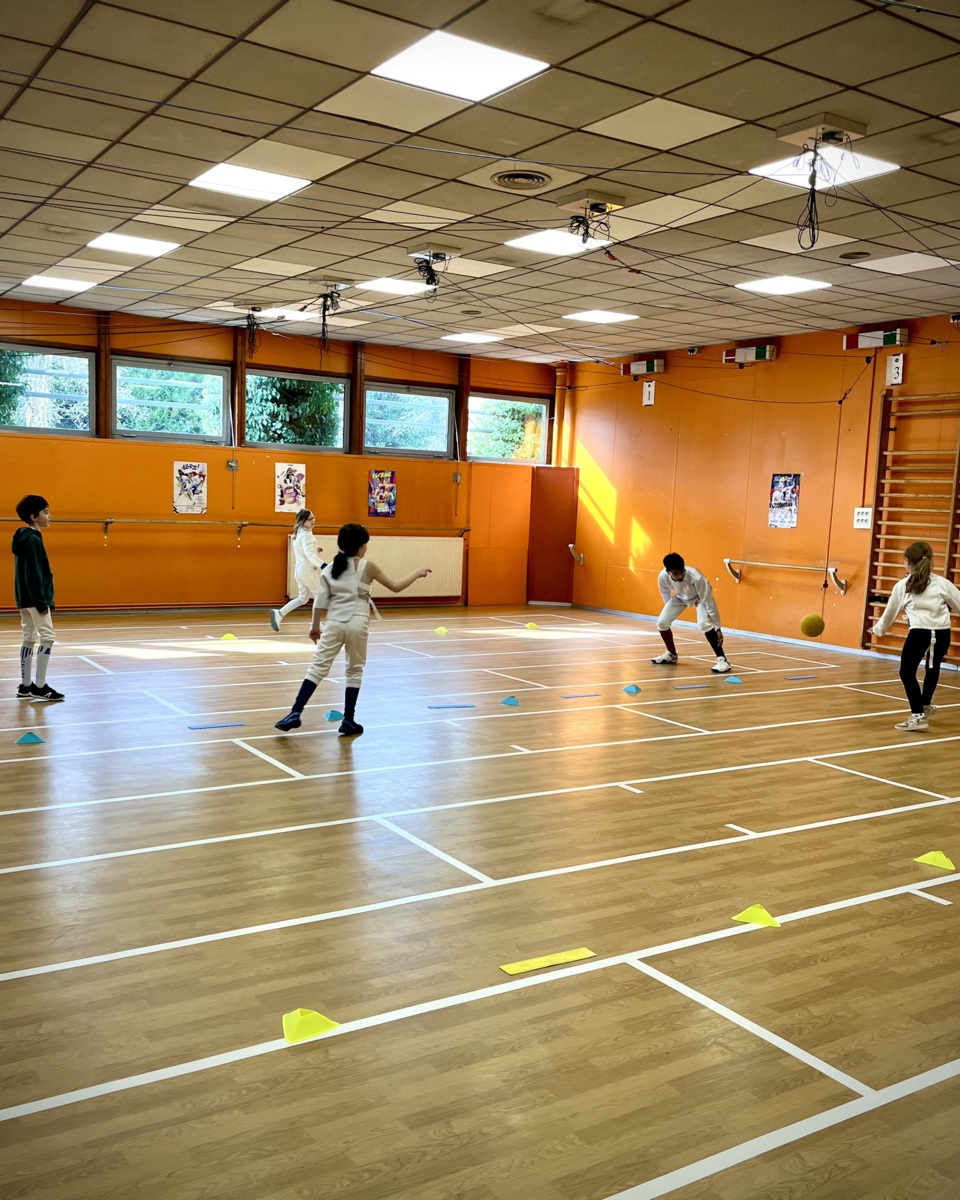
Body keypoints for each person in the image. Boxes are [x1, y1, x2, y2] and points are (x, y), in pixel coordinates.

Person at [275, 523, 430, 736]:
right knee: (354, 670)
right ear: (360, 546)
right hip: (358, 623)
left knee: (317, 668)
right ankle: (348, 720)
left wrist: (315, 626)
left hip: (334, 624)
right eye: (365, 544)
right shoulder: (368, 566)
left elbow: (319, 602)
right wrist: (417, 573)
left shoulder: (329, 569)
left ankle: (295, 712)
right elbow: (396, 587)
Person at [870, 541, 960, 732]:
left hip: (919, 633)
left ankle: (917, 715)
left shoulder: (904, 585)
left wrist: (878, 630)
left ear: (907, 561)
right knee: (932, 668)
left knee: (906, 672)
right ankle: (924, 705)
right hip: (942, 633)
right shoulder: (943, 583)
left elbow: (890, 612)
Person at [12, 494, 64, 701]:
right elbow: (33, 574)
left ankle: (25, 686)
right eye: (46, 512)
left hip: (24, 599)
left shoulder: (23, 538)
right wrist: (42, 602)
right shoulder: (32, 540)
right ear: (34, 516)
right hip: (35, 599)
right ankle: (40, 687)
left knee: (29, 638)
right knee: (48, 637)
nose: (50, 516)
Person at [651, 552, 731, 674]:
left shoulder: (697, 577)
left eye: (681, 572)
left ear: (684, 568)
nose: (680, 576)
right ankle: (672, 655)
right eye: (675, 574)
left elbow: (709, 603)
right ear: (668, 572)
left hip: (700, 597)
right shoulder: (662, 577)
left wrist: (717, 628)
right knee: (662, 623)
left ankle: (722, 659)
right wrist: (669, 612)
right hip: (680, 597)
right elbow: (665, 593)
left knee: (703, 624)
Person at [270, 509, 324, 631]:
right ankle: (316, 625)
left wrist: (316, 549)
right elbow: (310, 556)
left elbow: (304, 550)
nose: (313, 521)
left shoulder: (300, 532)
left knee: (303, 598)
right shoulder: (306, 535)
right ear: (302, 521)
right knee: (319, 596)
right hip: (307, 571)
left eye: (313, 518)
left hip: (300, 570)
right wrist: (324, 565)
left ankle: (280, 613)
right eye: (310, 519)